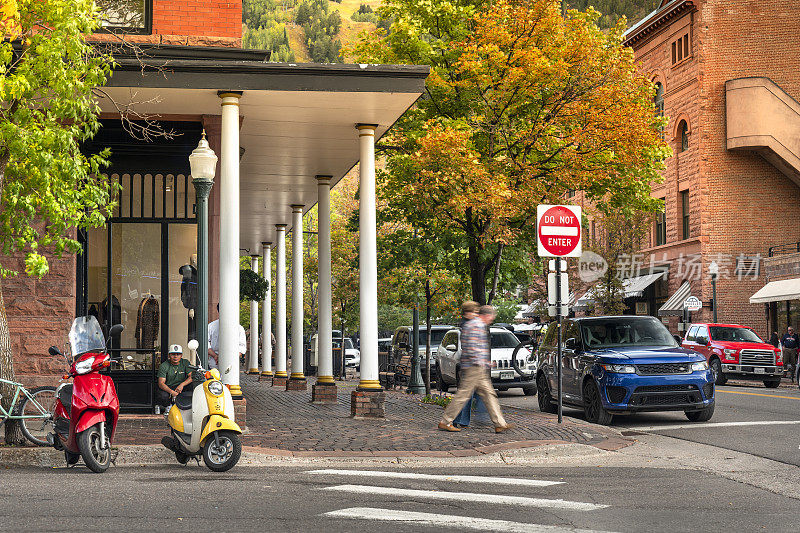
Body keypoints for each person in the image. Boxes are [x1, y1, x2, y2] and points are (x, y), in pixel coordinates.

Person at [438, 305, 515, 433]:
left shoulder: (473, 325)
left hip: (476, 367)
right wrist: (483, 362)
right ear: (487, 315)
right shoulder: (476, 325)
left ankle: (500, 423)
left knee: (489, 394)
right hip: (474, 367)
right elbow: (472, 347)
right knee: (464, 395)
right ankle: (445, 421)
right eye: (492, 317)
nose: (492, 319)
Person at [453, 301, 486, 428]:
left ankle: (462, 420)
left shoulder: (468, 324)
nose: (476, 314)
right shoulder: (469, 326)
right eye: (474, 312)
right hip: (472, 366)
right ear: (467, 313)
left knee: (474, 394)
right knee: (469, 395)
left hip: (472, 365)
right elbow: (471, 348)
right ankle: (457, 419)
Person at [207, 303, 247, 371]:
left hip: (231, 362)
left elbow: (242, 347)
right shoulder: (211, 326)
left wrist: (230, 358)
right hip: (214, 362)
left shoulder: (239, 328)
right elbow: (205, 344)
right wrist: (215, 356)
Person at [155, 344, 193, 411]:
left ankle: (188, 407)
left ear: (181, 355)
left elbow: (191, 376)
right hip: (169, 386)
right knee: (163, 396)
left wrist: (182, 385)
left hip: (181, 386)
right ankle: (167, 406)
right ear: (169, 355)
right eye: (173, 354)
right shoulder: (164, 365)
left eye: (178, 354)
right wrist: (171, 392)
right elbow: (161, 383)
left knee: (193, 387)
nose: (175, 356)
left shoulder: (185, 362)